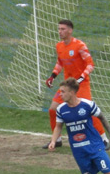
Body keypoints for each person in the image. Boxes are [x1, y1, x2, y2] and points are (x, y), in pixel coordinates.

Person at [48, 78, 110, 174]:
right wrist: (53, 141)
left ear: (72, 92)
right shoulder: (61, 109)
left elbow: (102, 118)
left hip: (95, 146)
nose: (60, 94)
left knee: (109, 173)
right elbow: (58, 126)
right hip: (79, 151)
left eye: (63, 92)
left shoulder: (87, 105)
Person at [44, 19, 104, 148]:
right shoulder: (59, 46)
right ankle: (57, 140)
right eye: (59, 29)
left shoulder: (80, 46)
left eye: (63, 29)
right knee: (53, 109)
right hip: (67, 86)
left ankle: (103, 138)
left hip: (81, 85)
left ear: (70, 30)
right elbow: (60, 63)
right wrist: (52, 76)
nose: (60, 31)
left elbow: (90, 64)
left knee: (89, 111)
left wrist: (81, 79)